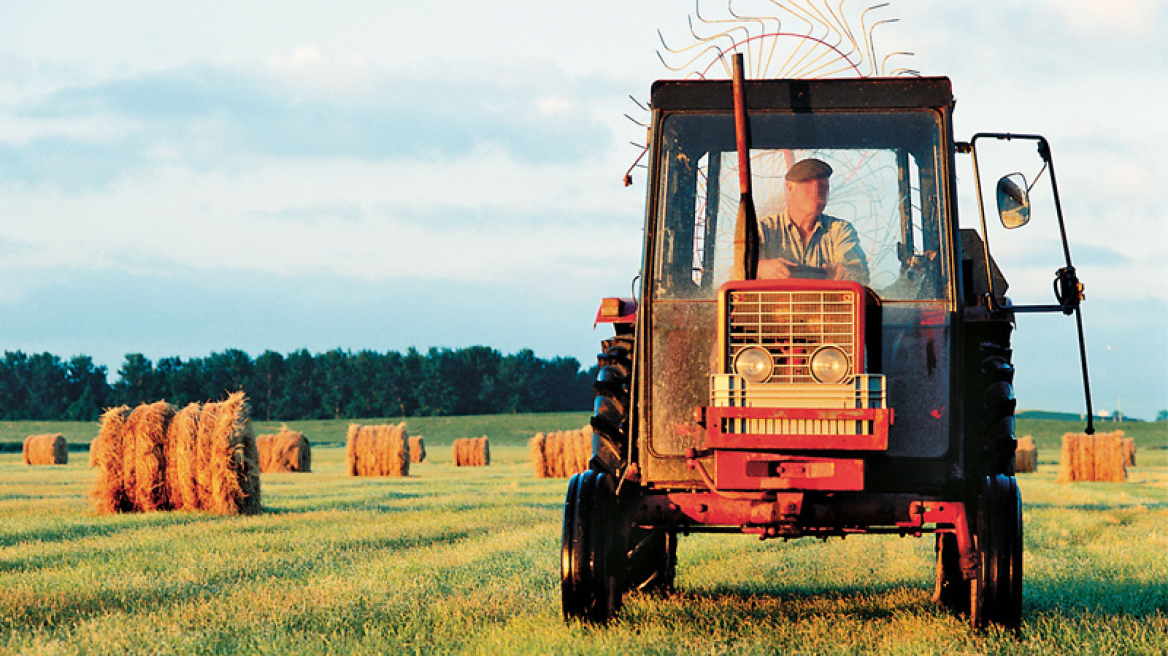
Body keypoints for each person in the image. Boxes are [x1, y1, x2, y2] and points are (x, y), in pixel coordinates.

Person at [756, 158, 870, 284]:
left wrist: (847, 272)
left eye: (823, 186)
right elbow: (739, 271)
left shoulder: (840, 231)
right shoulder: (764, 230)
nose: (816, 191)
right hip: (776, 303)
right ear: (789, 187)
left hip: (827, 303)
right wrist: (760, 268)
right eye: (808, 184)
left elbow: (859, 270)